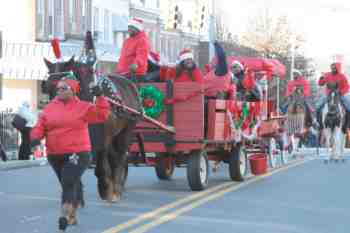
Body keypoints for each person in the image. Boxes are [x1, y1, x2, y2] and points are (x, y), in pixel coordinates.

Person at [30, 73, 110, 232]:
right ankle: (72, 215)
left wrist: (100, 96)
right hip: (54, 154)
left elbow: (102, 114)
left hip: (78, 153)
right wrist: (35, 139)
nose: (58, 90)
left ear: (73, 90)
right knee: (68, 184)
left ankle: (65, 215)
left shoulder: (84, 107)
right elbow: (40, 126)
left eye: (63, 88)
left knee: (67, 180)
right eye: (57, 88)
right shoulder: (49, 107)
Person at [317, 62, 350, 130]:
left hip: (339, 95)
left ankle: (346, 125)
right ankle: (320, 124)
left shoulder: (342, 76)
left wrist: (341, 92)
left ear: (337, 68)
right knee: (318, 107)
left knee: (348, 108)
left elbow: (347, 87)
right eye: (332, 68)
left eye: (334, 68)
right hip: (328, 94)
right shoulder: (327, 75)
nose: (333, 69)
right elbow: (320, 84)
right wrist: (321, 78)